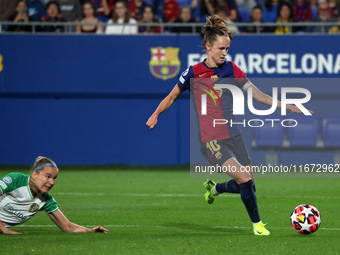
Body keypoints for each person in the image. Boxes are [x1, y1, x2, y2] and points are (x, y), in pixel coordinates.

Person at [146, 15, 312, 235]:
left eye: (227, 49)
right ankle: (257, 225)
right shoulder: (193, 73)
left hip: (233, 135)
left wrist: (287, 106)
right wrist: (156, 113)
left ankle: (214, 188)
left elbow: (257, 94)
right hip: (211, 139)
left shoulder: (232, 69)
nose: (225, 53)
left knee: (249, 184)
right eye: (221, 48)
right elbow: (171, 97)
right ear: (208, 46)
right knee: (243, 179)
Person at [0, 156, 109, 234]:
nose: (52, 182)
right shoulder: (16, 180)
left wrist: (90, 231)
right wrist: (3, 229)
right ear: (34, 174)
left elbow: (66, 226)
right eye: (47, 176)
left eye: (54, 178)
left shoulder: (46, 200)